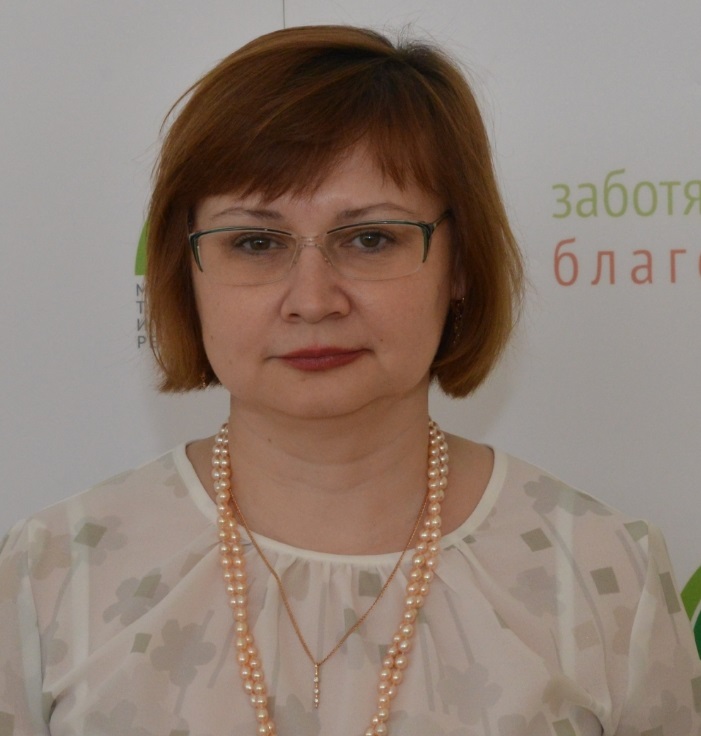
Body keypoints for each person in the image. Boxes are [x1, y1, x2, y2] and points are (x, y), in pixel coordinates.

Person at [0, 24, 698, 736]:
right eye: (254, 241)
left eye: (370, 238)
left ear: (459, 265)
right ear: (187, 273)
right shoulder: (52, 576)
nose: (312, 300)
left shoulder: (603, 576)